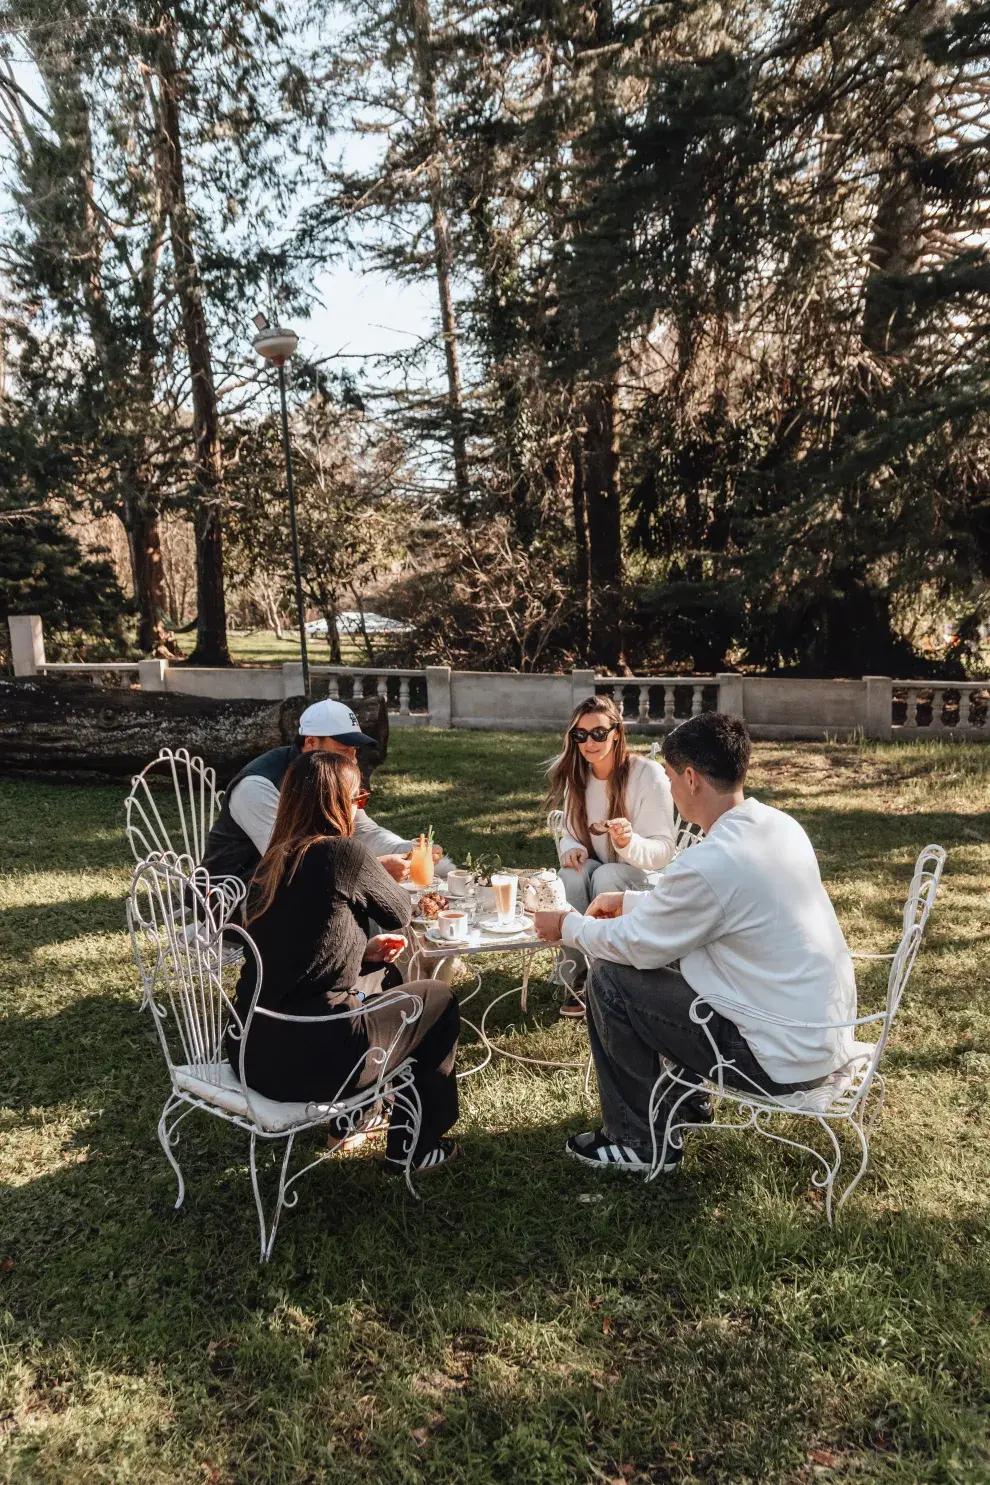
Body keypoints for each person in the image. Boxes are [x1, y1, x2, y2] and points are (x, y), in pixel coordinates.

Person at [533, 712, 857, 1174]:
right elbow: (705, 907)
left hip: (779, 1063)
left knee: (609, 978)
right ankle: (688, 1100)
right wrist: (630, 900)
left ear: (690, 778)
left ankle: (638, 1142)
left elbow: (636, 945)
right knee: (673, 959)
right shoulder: (776, 824)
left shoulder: (713, 861)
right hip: (819, 1040)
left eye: (668, 776)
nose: (667, 787)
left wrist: (567, 925)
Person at [227, 750, 460, 1172]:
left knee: (386, 973)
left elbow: (294, 953)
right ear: (337, 803)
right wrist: (375, 869)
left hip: (250, 1053)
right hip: (319, 1062)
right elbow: (399, 913)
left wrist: (363, 953)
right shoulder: (342, 854)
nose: (359, 809)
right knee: (438, 999)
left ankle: (355, 1119)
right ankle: (414, 1147)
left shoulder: (269, 864)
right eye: (358, 799)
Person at [201, 697, 451, 892]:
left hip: (300, 884)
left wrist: (409, 848)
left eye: (354, 750)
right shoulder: (257, 786)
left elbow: (362, 830)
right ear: (311, 743)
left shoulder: (334, 774)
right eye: (343, 750)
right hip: (234, 897)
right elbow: (286, 862)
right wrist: (372, 870)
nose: (352, 761)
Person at [545, 695, 677, 1018]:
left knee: (605, 876)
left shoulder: (647, 775)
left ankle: (607, 976)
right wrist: (571, 847)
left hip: (645, 879)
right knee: (571, 875)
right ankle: (575, 975)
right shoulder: (579, 776)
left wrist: (629, 843)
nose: (589, 743)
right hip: (603, 870)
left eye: (598, 733)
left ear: (617, 733)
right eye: (581, 735)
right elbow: (568, 829)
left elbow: (664, 851)